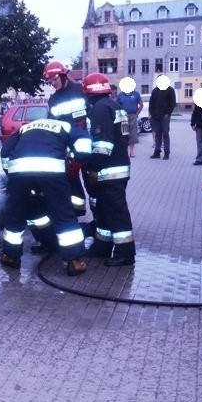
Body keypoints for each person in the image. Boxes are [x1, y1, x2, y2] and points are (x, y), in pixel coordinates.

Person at [0, 117, 88, 276]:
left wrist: (10, 171)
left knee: (15, 214)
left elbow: (5, 152)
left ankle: (10, 257)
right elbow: (83, 145)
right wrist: (78, 158)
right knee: (63, 214)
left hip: (19, 170)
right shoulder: (67, 125)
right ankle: (74, 261)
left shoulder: (27, 127)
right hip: (52, 170)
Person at [79, 72, 136, 266]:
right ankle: (102, 246)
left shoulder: (100, 109)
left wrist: (91, 167)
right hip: (114, 169)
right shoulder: (112, 105)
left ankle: (125, 253)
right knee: (102, 211)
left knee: (116, 213)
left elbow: (103, 145)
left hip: (108, 171)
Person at [43, 60, 89, 223]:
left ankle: (100, 218)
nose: (52, 84)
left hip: (87, 144)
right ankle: (77, 213)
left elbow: (93, 112)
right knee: (71, 182)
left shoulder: (81, 90)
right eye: (49, 81)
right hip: (69, 148)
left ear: (63, 76)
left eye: (54, 79)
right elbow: (53, 124)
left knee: (93, 183)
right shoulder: (53, 100)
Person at [149, 74, 177, 160]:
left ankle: (167, 152)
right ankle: (157, 152)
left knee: (165, 133)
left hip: (165, 116)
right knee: (157, 134)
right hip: (155, 116)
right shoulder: (155, 91)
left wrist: (168, 113)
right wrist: (150, 113)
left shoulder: (170, 90)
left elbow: (173, 103)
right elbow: (151, 103)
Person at [116, 82, 143, 158]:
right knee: (124, 133)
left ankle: (132, 151)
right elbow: (116, 105)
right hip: (123, 116)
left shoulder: (136, 94)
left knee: (133, 133)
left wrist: (136, 114)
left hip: (133, 116)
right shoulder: (120, 95)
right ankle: (124, 151)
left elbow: (141, 105)